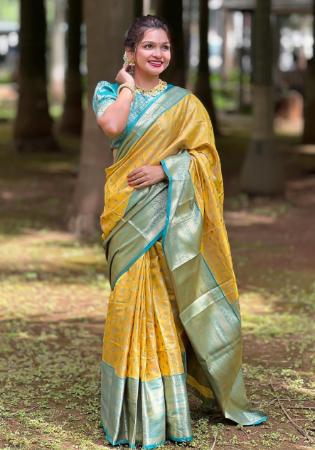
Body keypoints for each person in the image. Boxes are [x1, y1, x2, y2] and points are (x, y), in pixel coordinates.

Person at [92, 14, 267, 450]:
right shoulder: (109, 92)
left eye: (164, 47)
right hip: (126, 217)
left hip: (166, 218)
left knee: (164, 308)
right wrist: (128, 84)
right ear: (131, 52)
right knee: (128, 304)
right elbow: (113, 127)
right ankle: (129, 410)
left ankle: (164, 412)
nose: (158, 54)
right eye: (149, 46)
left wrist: (167, 170)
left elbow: (205, 159)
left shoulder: (187, 105)